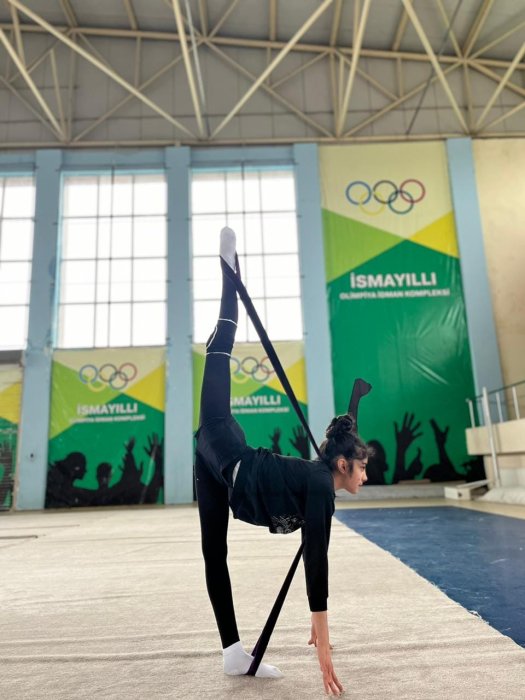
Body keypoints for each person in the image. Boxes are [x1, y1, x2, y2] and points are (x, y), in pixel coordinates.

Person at [194, 227, 371, 696]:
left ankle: (233, 652)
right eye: (362, 466)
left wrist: (355, 400)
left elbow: (345, 434)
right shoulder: (321, 487)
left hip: (226, 468)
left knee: (216, 551)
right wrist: (325, 646)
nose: (366, 474)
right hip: (218, 439)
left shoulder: (324, 477)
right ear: (341, 466)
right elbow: (317, 564)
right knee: (221, 345)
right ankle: (228, 271)